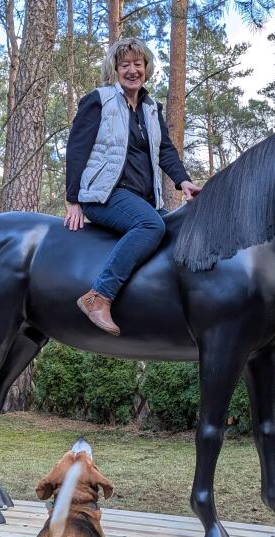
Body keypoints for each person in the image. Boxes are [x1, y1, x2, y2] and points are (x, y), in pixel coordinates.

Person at [65, 37, 202, 336]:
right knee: (151, 226)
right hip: (104, 194)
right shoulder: (99, 100)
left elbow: (165, 150)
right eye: (124, 64)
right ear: (115, 69)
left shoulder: (151, 108)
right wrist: (73, 199)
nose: (132, 70)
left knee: (175, 229)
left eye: (137, 64)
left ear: (146, 68)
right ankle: (98, 296)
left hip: (143, 198)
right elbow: (77, 148)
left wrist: (183, 181)